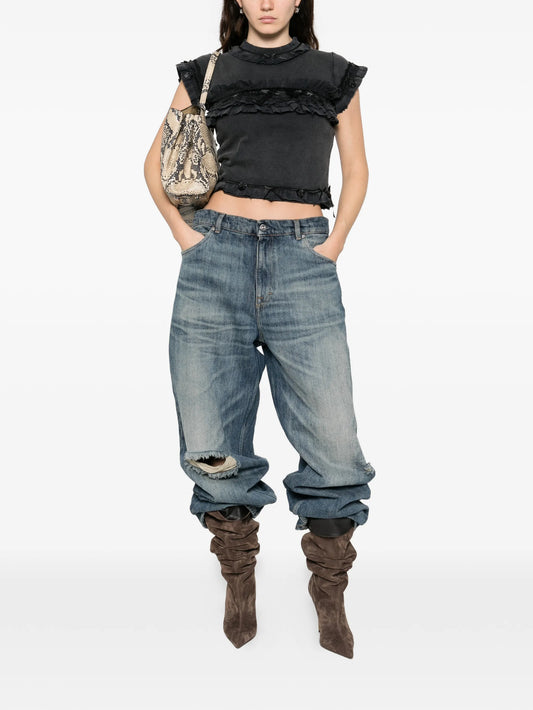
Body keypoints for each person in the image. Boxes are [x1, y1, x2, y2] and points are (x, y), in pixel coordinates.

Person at [144, 0, 376, 659]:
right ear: (238, 1)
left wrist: (332, 246)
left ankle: (328, 586)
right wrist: (188, 238)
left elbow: (356, 169)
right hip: (214, 256)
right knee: (209, 433)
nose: (268, 1)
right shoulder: (205, 71)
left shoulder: (333, 72)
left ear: (300, 0)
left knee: (333, 437)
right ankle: (238, 573)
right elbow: (155, 165)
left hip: (304, 259)